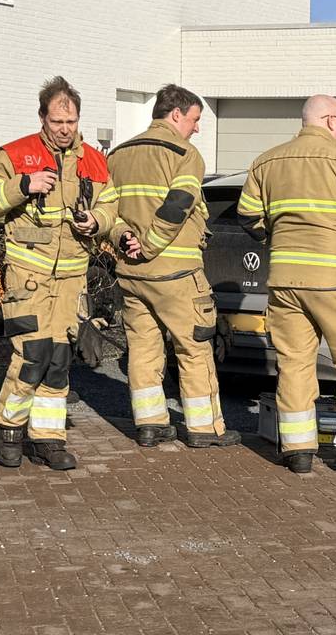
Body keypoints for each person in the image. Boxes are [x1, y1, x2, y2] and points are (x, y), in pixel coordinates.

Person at [0, 76, 119, 470]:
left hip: (71, 279)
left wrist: (97, 222)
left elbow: (111, 207)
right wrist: (23, 185)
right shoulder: (17, 154)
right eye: (57, 122)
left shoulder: (94, 161)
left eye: (71, 122)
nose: (65, 130)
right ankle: (8, 430)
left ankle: (48, 438)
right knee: (32, 354)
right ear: (42, 118)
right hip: (28, 277)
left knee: (59, 358)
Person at [236, 95, 336, 474]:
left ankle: (298, 451)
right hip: (333, 279)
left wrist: (278, 237)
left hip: (284, 280)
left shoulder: (266, 161)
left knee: (295, 363)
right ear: (332, 121)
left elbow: (248, 218)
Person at [106, 84, 239, 449]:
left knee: (143, 348)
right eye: (195, 119)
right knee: (194, 347)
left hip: (131, 272)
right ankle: (205, 429)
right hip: (175, 271)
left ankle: (150, 425)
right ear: (176, 114)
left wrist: (122, 238)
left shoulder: (117, 155)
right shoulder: (184, 154)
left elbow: (107, 211)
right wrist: (149, 245)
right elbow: (178, 205)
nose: (197, 128)